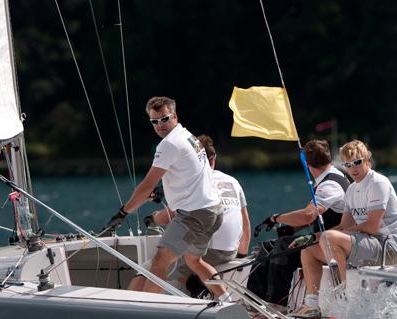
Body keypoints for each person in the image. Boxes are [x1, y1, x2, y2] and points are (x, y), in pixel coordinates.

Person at [106, 96, 226, 298]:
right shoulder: (190, 137)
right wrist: (166, 190)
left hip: (194, 215)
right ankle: (227, 299)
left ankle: (149, 309)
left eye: (164, 119)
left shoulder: (168, 144)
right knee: (193, 261)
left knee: (160, 261)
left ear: (174, 116)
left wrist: (123, 212)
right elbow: (194, 172)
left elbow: (146, 185)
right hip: (214, 209)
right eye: (154, 121)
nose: (160, 125)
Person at [291, 139, 397, 319]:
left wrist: (334, 236)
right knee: (308, 250)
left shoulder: (377, 183)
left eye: (357, 162)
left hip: (388, 248)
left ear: (367, 160)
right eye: (348, 164)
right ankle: (312, 304)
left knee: (330, 238)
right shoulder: (351, 189)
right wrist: (312, 237)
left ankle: (341, 302)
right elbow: (343, 225)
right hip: (368, 243)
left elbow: (372, 226)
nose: (353, 168)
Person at [129, 134, 251, 295]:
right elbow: (246, 223)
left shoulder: (195, 184)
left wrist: (152, 219)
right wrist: (241, 257)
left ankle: (138, 310)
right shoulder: (232, 181)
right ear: (213, 159)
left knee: (147, 271)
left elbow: (171, 216)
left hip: (209, 250)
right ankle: (213, 294)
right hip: (230, 252)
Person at [248, 139, 349, 305]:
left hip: (332, 246)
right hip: (323, 240)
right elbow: (318, 215)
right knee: (268, 246)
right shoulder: (335, 176)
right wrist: (292, 228)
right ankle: (254, 302)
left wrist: (276, 218)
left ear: (307, 164)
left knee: (283, 246)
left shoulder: (330, 184)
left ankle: (276, 304)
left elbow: (309, 214)